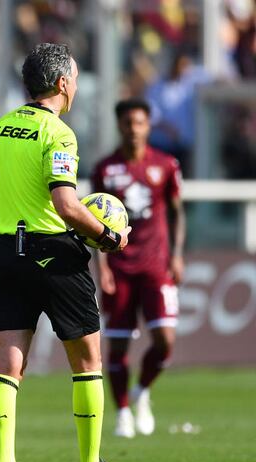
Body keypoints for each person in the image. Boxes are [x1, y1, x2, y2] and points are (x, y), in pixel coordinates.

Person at [0, 43, 131, 462]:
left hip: (10, 255)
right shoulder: (59, 133)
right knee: (88, 363)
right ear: (63, 83)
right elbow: (67, 206)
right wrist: (109, 237)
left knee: (7, 365)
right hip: (57, 255)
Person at [91, 99, 184, 438]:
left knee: (165, 341)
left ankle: (142, 390)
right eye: (128, 122)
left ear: (148, 126)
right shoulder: (105, 169)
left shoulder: (166, 164)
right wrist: (101, 266)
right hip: (119, 266)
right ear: (120, 126)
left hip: (156, 266)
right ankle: (123, 414)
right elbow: (92, 221)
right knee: (117, 347)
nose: (134, 128)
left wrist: (177, 254)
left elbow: (177, 211)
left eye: (140, 122)